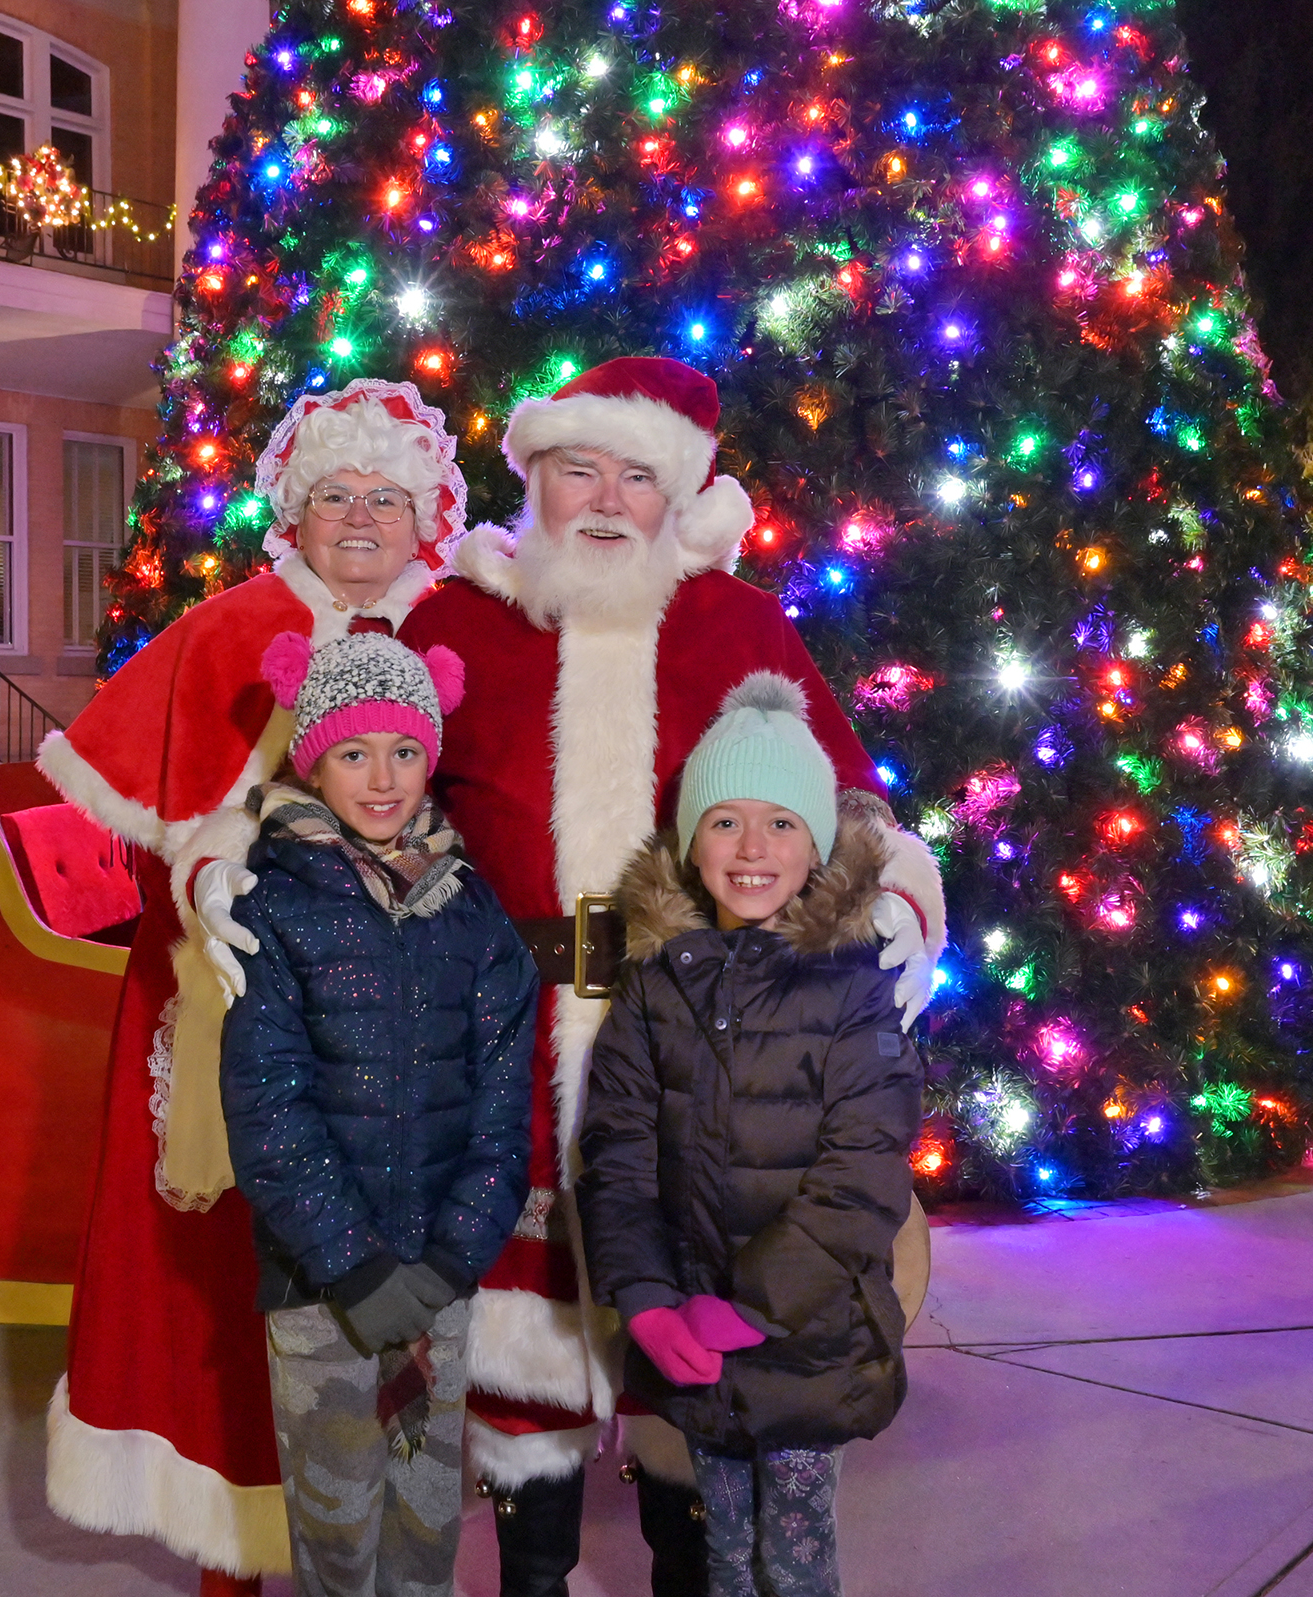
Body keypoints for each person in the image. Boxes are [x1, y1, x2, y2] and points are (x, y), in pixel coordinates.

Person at [394, 356, 945, 1596]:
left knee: (689, 1329)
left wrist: (901, 893)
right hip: (500, 1038)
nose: (601, 497)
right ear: (533, 479)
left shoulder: (739, 624)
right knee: (519, 1344)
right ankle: (533, 1570)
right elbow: (370, 789)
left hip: (699, 1038)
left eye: (634, 474)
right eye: (575, 467)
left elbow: (847, 797)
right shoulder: (456, 622)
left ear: (678, 492)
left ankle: (687, 1558)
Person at [38, 381, 468, 1590]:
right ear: (296, 507)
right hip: (237, 1013)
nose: (362, 519)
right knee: (228, 1293)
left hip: (411, 1026)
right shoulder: (227, 630)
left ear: (427, 508)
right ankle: (233, 1542)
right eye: (336, 496)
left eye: (388, 496)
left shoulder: (463, 627)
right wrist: (209, 879)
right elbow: (144, 832)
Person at [578, 673, 922, 1597]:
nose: (753, 847)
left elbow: (863, 1171)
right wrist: (647, 1294)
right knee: (722, 1551)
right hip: (690, 1333)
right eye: (725, 820)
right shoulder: (657, 985)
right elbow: (618, 1151)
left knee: (795, 1553)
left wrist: (754, 1304)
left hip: (805, 1338)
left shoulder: (854, 984)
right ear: (691, 843)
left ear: (816, 843)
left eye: (781, 822)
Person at [221, 630, 538, 1597]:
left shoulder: (472, 912)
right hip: (325, 1289)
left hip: (436, 1284)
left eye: (405, 751)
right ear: (313, 760)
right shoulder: (271, 906)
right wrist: (355, 1266)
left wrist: (448, 1261)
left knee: (424, 1527)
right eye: (355, 753)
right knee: (338, 1530)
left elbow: (500, 1110)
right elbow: (270, 1106)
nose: (382, 778)